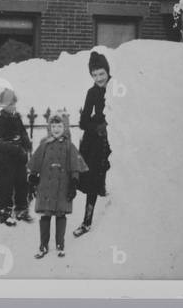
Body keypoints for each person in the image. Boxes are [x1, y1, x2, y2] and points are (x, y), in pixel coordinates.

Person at [28, 112, 88, 259]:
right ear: (49, 127)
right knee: (45, 214)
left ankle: (60, 244)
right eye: (53, 126)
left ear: (65, 127)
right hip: (46, 186)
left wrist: (74, 182)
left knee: (61, 214)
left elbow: (75, 166)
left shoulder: (69, 146)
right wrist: (33, 176)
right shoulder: (44, 144)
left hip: (63, 186)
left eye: (59, 126)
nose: (55, 129)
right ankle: (43, 246)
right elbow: (35, 162)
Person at [73, 50, 111, 238]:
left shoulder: (117, 87)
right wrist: (98, 128)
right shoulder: (92, 92)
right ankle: (87, 221)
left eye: (101, 74)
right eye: (94, 75)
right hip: (97, 143)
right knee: (93, 183)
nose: (98, 78)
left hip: (116, 140)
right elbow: (83, 121)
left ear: (108, 71)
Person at [0, 88, 31, 226]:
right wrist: (15, 147)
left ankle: (21, 209)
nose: (12, 107)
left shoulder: (17, 119)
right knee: (5, 187)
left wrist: (26, 144)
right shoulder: (0, 122)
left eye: (13, 104)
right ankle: (5, 212)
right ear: (2, 105)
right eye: (9, 104)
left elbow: (24, 134)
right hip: (4, 163)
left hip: (18, 162)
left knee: (21, 184)